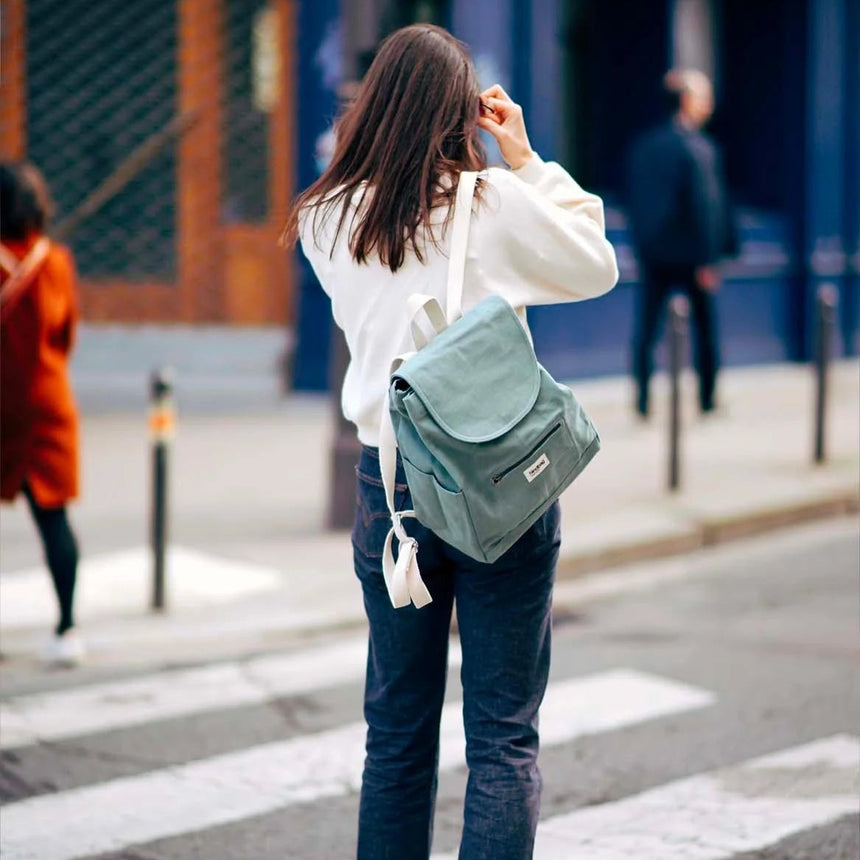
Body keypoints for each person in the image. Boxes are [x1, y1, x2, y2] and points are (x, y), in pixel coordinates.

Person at [283, 24, 617, 860]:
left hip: (389, 493)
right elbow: (595, 262)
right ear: (456, 112)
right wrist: (526, 158)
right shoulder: (491, 205)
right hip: (494, 484)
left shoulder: (325, 217)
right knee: (503, 735)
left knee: (395, 735)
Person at [1, 161, 85, 667]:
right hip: (48, 405)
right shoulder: (54, 262)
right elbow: (65, 334)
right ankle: (67, 626)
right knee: (53, 519)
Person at [627, 69, 737, 418]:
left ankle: (643, 401)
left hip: (653, 253)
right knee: (704, 329)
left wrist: (643, 244)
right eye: (703, 97)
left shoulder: (644, 148)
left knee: (646, 327)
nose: (709, 105)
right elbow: (708, 206)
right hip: (693, 256)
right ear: (688, 101)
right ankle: (706, 399)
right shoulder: (699, 149)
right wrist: (710, 258)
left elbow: (634, 201)